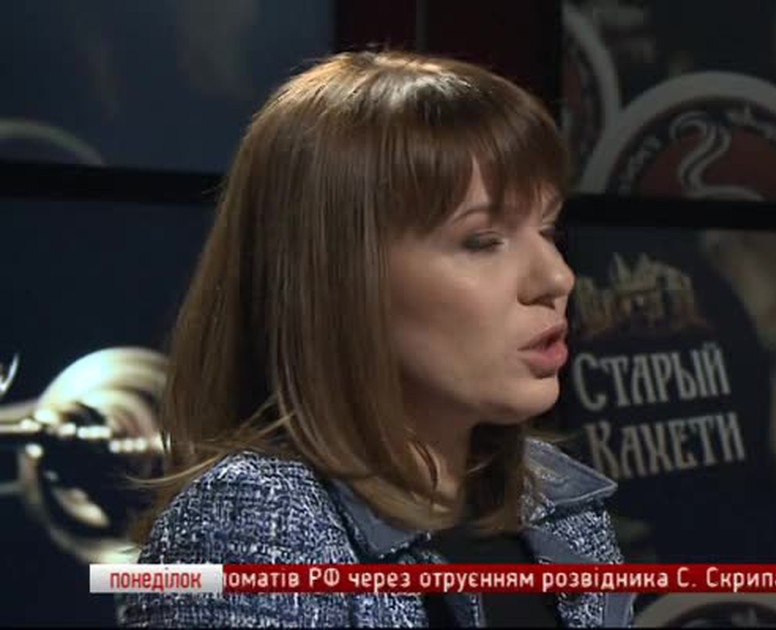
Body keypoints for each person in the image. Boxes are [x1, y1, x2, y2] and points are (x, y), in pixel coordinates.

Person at [117, 49, 632, 628]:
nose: (557, 278)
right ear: (338, 278)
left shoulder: (558, 503)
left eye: (548, 229)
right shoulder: (254, 523)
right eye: (483, 240)